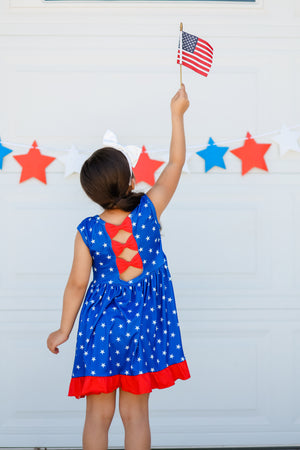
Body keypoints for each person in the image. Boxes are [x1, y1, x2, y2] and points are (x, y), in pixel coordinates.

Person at [47, 84, 191, 450]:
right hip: (143, 327)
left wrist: (63, 330)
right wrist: (176, 115)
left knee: (98, 416)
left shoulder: (88, 231)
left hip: (101, 329)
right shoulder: (148, 210)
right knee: (135, 415)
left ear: (91, 193)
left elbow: (77, 284)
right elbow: (175, 164)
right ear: (129, 180)